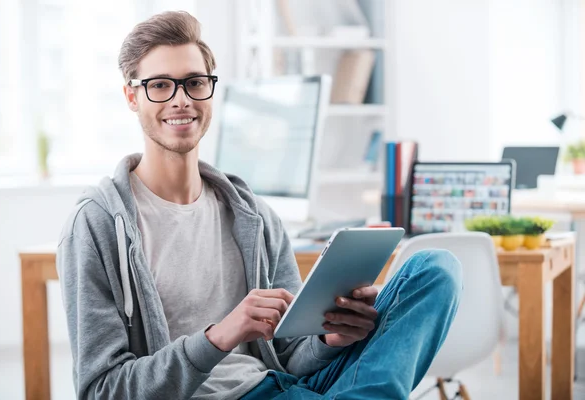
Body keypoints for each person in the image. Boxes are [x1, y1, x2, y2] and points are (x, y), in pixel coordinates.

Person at [57, 10, 462, 400]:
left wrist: (329, 337)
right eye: (160, 85)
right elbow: (102, 390)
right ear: (132, 96)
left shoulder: (254, 216)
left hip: (285, 386)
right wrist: (220, 335)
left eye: (194, 82)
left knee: (434, 269)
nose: (180, 99)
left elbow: (290, 355)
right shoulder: (96, 224)